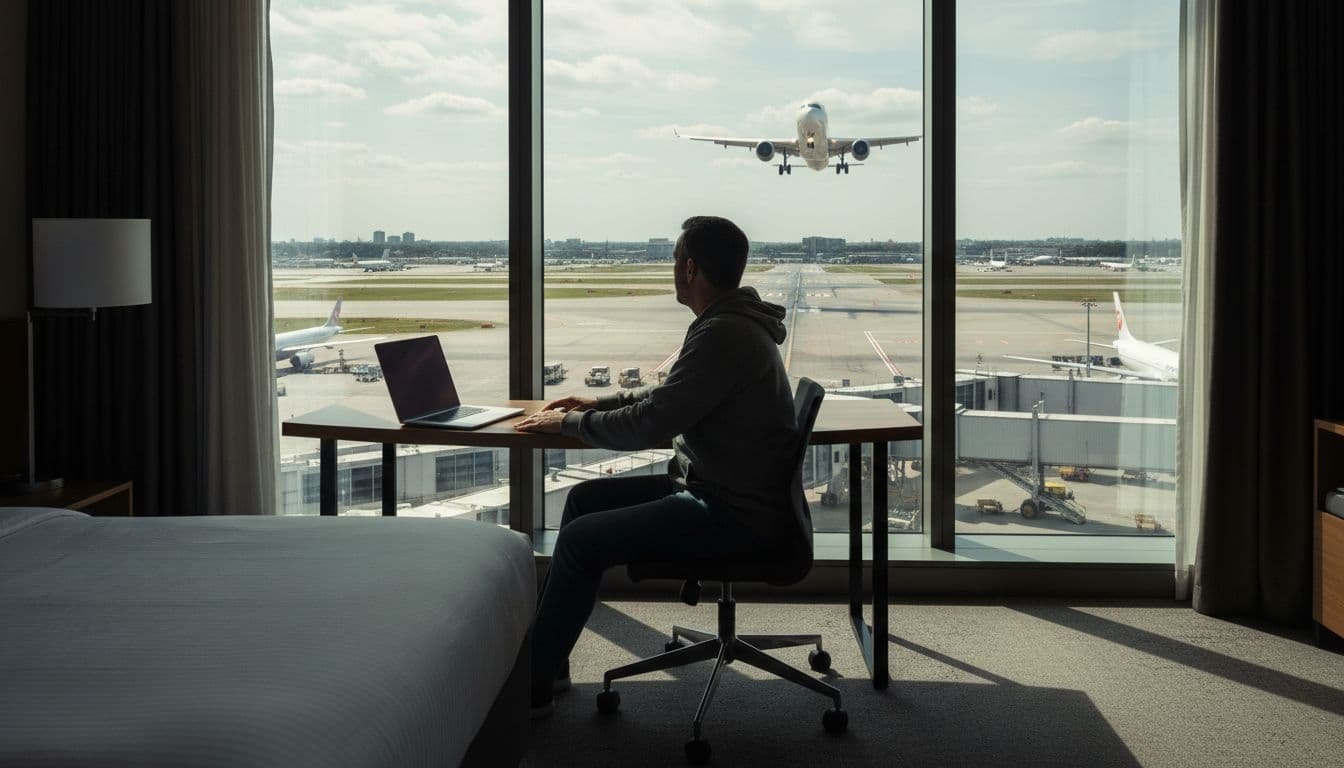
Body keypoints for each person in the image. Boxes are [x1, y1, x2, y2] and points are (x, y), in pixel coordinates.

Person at [515, 215, 799, 717]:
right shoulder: (729, 325)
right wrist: (596, 403)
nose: (670, 268)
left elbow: (651, 424)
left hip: (728, 510)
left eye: (673, 259)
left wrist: (569, 426)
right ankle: (550, 661)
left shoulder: (723, 334)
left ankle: (529, 686)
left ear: (690, 268)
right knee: (582, 501)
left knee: (581, 543)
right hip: (723, 491)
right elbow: (670, 397)